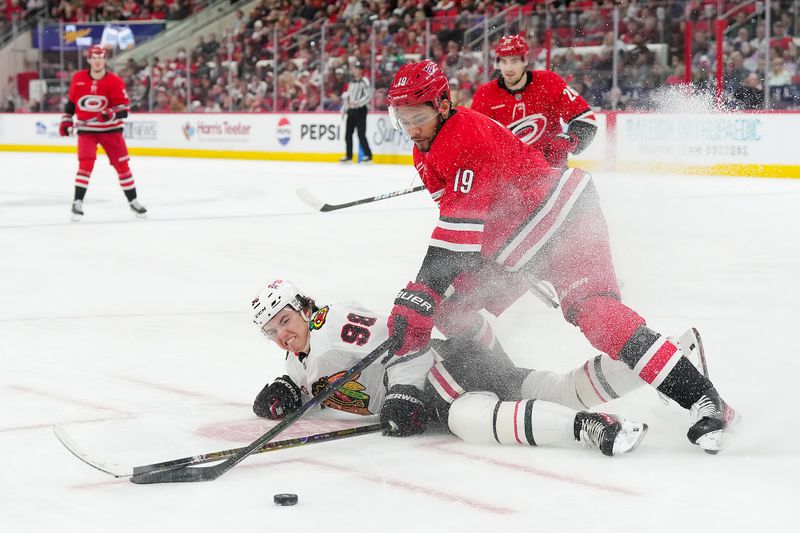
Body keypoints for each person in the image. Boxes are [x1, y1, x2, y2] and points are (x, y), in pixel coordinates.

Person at [384, 60, 739, 454]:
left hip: (564, 216)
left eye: (418, 116)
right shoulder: (426, 152)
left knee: (596, 315)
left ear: (443, 105)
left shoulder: (459, 134)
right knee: (451, 310)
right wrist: (432, 292)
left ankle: (704, 398)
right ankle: (501, 378)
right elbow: (466, 231)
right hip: (518, 240)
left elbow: (456, 235)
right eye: (402, 119)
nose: (411, 128)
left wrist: (423, 291)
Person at [249, 279, 649, 456]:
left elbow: (406, 339)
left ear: (303, 308)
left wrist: (404, 390)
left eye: (285, 320)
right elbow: (313, 381)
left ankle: (590, 428)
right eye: (272, 331)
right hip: (448, 369)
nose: (282, 334)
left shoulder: (331, 322)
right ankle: (658, 365)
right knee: (546, 388)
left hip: (439, 365)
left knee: (468, 418)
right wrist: (287, 391)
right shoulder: (298, 357)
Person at [471, 35, 597, 169]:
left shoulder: (549, 82)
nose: (508, 68)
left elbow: (586, 120)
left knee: (581, 184)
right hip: (508, 178)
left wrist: (570, 139)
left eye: (514, 61)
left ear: (525, 60)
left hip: (551, 171)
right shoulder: (485, 94)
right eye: (504, 61)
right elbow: (475, 140)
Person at [59, 45, 147, 221]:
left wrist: (111, 113)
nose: (98, 61)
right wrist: (67, 119)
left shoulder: (114, 81)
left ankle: (133, 201)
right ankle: (77, 203)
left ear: (104, 60)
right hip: (87, 131)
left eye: (101, 58)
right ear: (89, 60)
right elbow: (71, 103)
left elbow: (124, 110)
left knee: (122, 167)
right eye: (94, 58)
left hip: (111, 131)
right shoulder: (78, 79)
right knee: (85, 165)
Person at [340, 60, 373, 164]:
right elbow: (349, 96)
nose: (354, 70)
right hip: (351, 110)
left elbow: (368, 96)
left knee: (361, 134)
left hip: (360, 110)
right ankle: (349, 156)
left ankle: (368, 155)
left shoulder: (364, 81)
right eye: (354, 68)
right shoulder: (351, 82)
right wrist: (344, 109)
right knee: (348, 134)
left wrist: (357, 103)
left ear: (360, 70)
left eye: (356, 68)